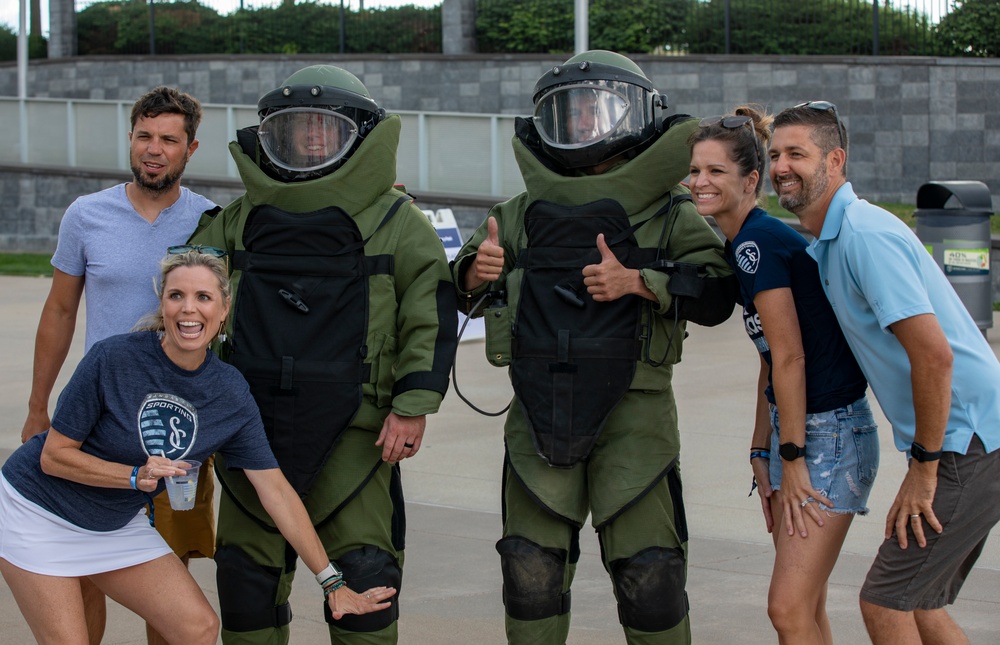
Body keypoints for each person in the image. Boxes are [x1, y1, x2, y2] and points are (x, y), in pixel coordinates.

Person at [451, 50, 737, 645]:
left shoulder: (670, 212)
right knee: (530, 569)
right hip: (537, 410)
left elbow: (716, 294)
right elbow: (459, 284)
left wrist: (639, 282)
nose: (582, 125)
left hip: (636, 415)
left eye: (597, 110)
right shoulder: (519, 214)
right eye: (569, 113)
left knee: (650, 573)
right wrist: (477, 273)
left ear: (638, 116)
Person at [0, 249, 395, 644]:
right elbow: (54, 457)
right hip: (37, 512)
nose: (189, 309)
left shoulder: (229, 393)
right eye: (176, 296)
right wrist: (135, 476)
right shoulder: (114, 358)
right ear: (162, 305)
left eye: (203, 297)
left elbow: (275, 492)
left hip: (112, 524)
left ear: (224, 309)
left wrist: (332, 582)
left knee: (198, 628)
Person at [187, 64, 457, 644]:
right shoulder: (234, 223)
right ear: (270, 138)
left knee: (367, 584)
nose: (310, 138)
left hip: (358, 437)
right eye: (295, 127)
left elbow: (429, 316)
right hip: (247, 435)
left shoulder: (399, 225)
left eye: (326, 127)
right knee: (245, 588)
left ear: (359, 134)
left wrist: (412, 405)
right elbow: (184, 313)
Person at [769, 101, 1000, 644]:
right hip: (972, 437)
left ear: (836, 159)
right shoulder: (834, 238)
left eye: (797, 153)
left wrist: (925, 467)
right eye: (775, 154)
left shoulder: (864, 236)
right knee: (921, 603)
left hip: (967, 442)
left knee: (885, 603)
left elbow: (933, 356)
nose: (782, 166)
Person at [19, 85, 220, 645]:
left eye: (169, 140)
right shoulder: (86, 215)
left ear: (190, 149)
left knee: (170, 578)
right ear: (131, 139)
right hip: (97, 426)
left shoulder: (210, 221)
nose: (154, 150)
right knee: (82, 576)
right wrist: (39, 406)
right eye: (144, 137)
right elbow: (59, 311)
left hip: (179, 425)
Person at [688, 105, 879, 643]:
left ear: (751, 182)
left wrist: (791, 458)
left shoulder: (758, 244)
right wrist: (760, 446)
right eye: (696, 170)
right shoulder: (746, 241)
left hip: (826, 434)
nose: (700, 182)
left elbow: (791, 356)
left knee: (788, 609)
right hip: (801, 429)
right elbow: (770, 357)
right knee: (807, 606)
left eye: (716, 172)